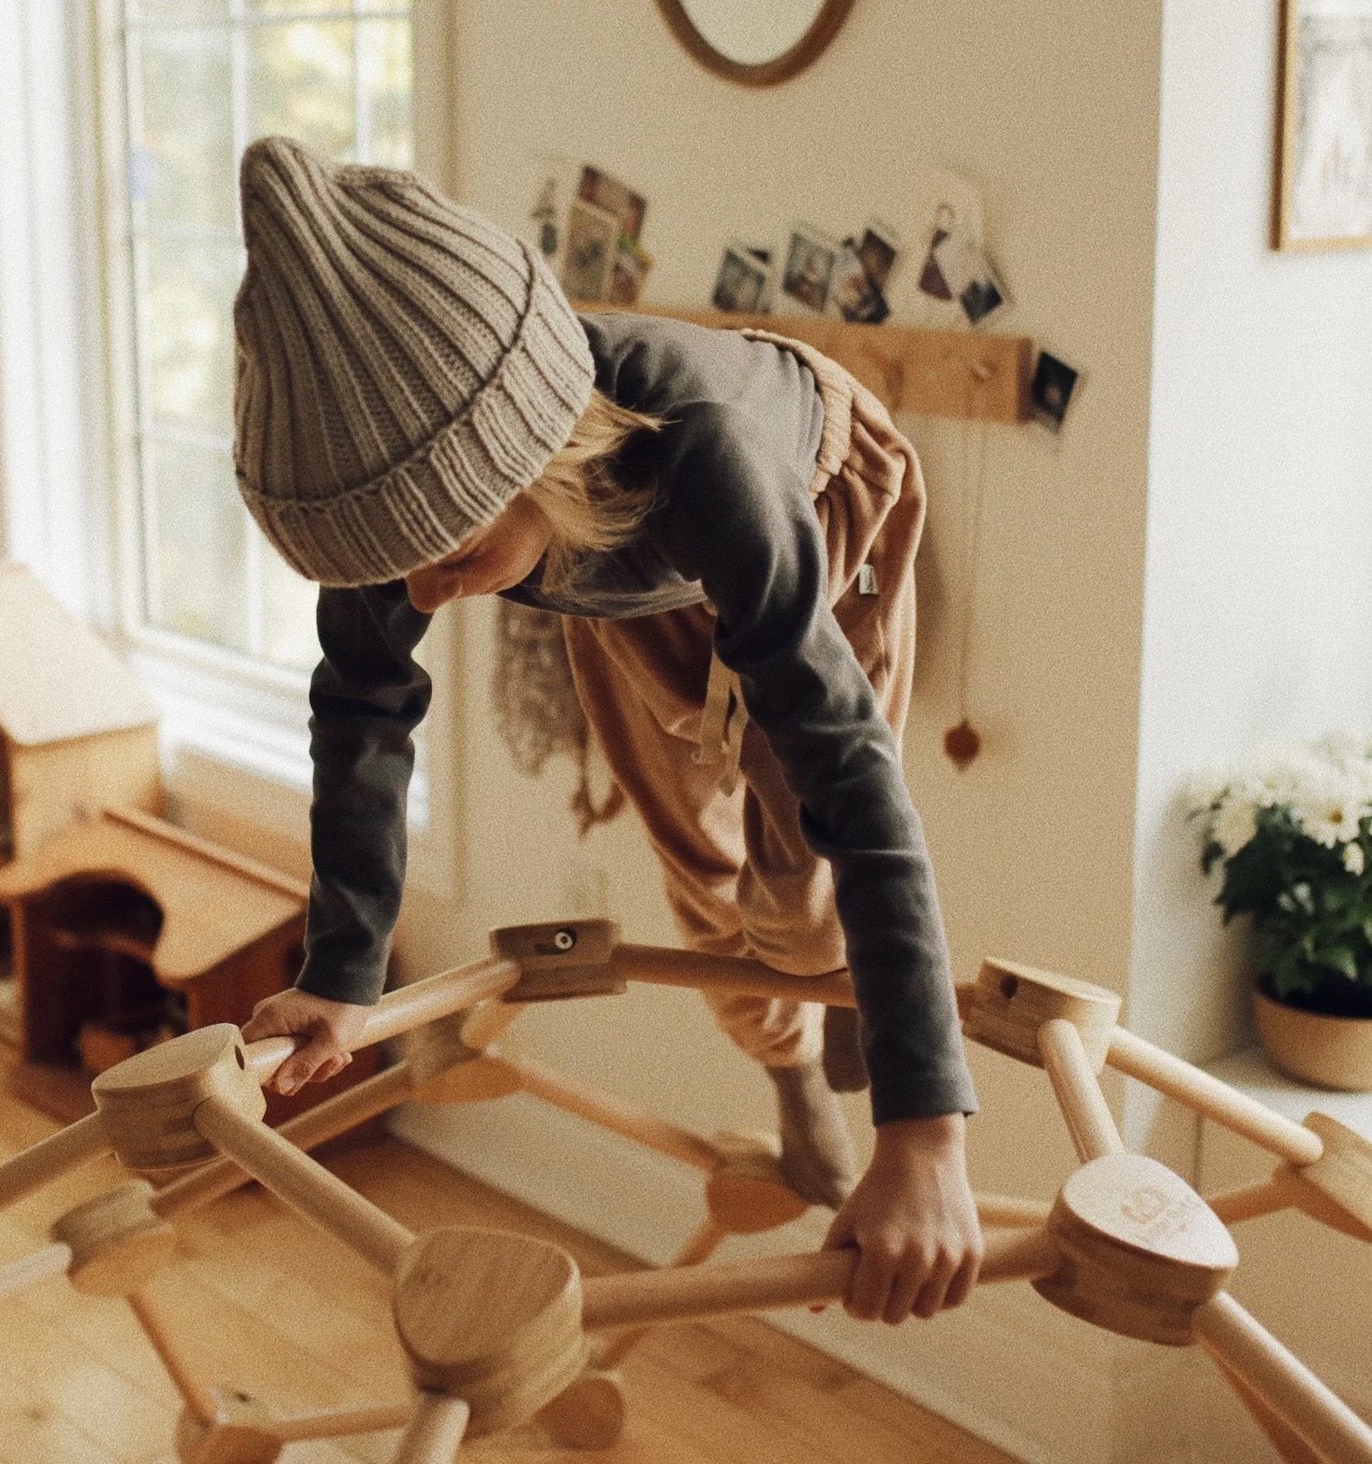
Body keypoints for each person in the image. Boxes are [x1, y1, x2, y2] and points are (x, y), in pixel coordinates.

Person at [232, 136, 982, 1326]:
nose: (422, 597)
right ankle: (790, 1066)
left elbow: (857, 783)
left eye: (450, 561)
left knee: (796, 887)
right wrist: (340, 974)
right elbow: (362, 708)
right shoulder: (409, 509)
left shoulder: (710, 460)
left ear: (535, 453)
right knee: (698, 875)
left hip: (815, 515)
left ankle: (847, 1026)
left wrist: (927, 1139)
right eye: (397, 572)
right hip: (611, 568)